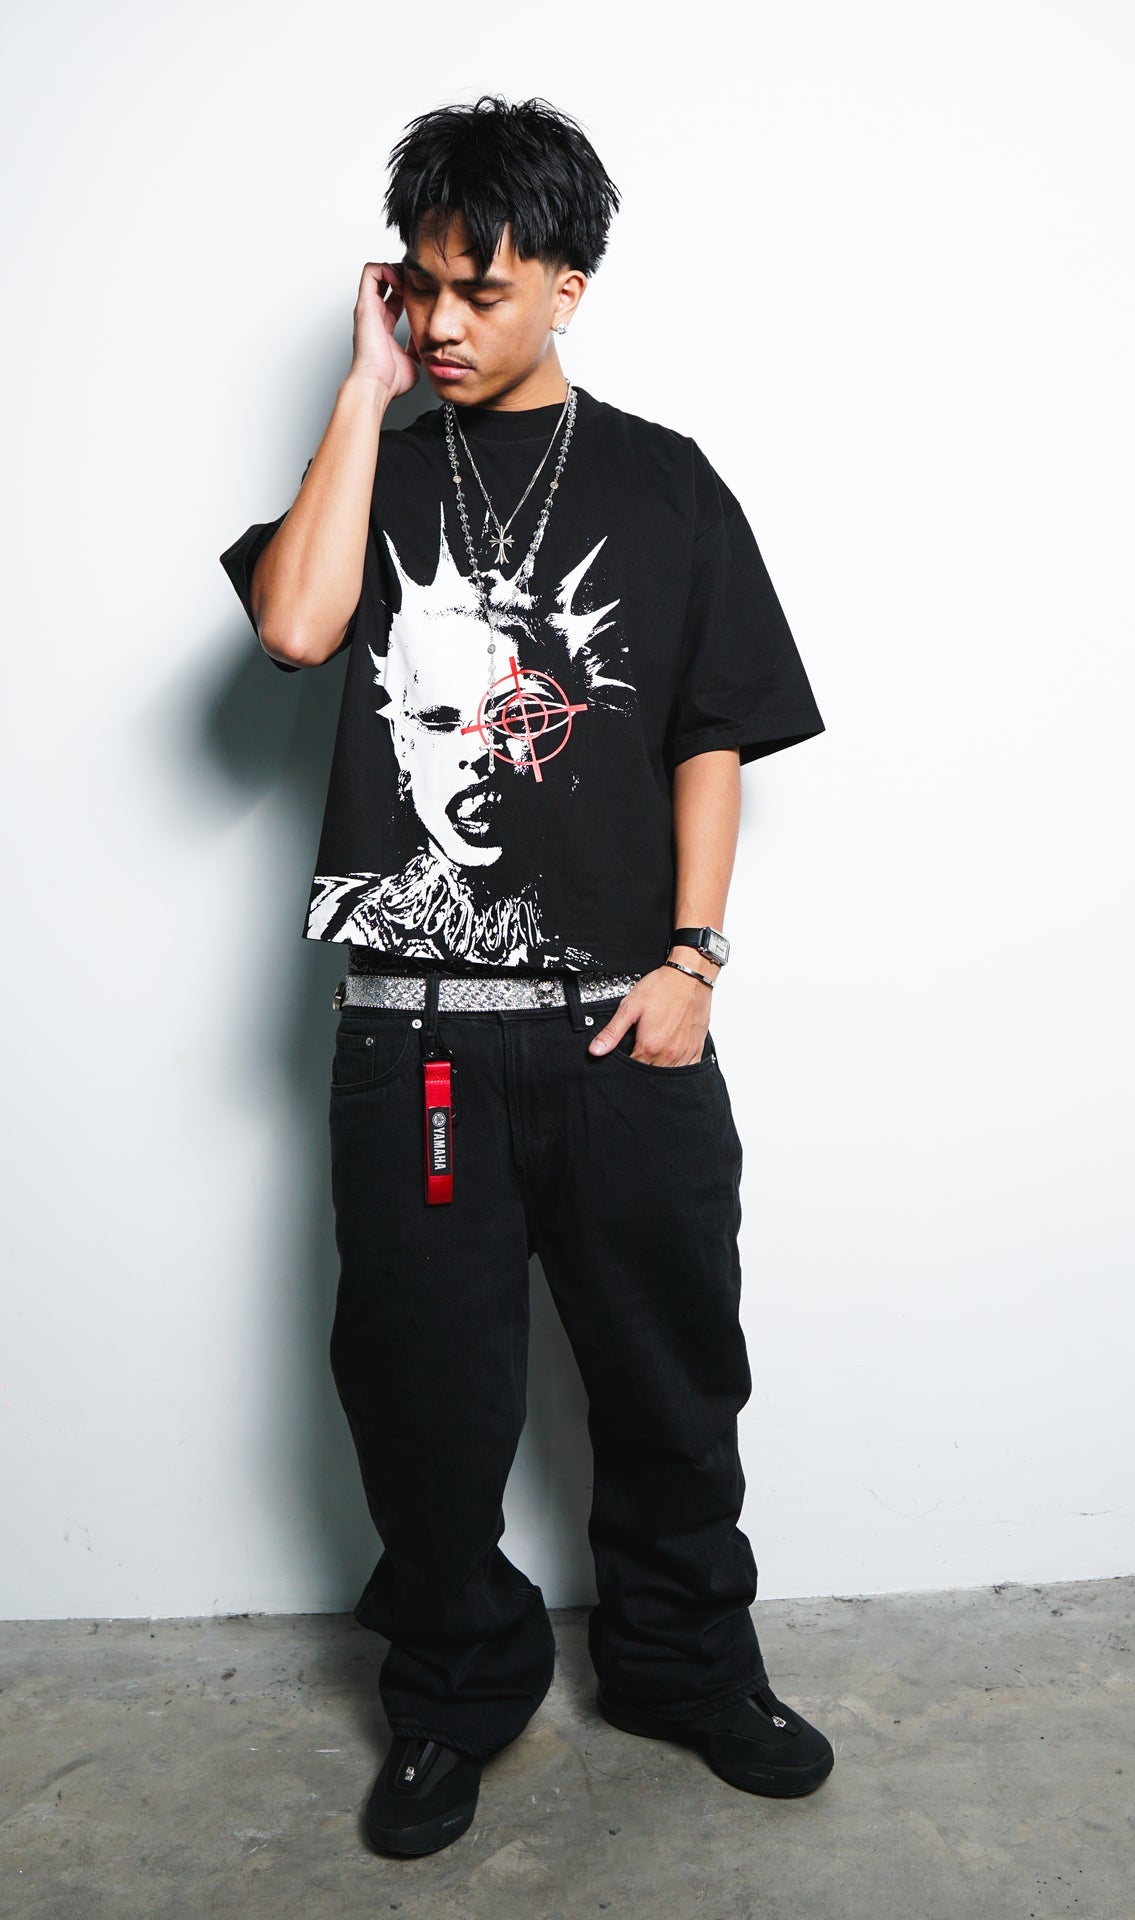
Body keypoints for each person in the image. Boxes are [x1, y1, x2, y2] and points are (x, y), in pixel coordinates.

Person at [220, 93, 833, 1860]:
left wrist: (696, 960)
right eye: (416, 286)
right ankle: (452, 1696)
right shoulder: (373, 469)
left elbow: (712, 735)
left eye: (480, 292)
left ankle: (687, 1664)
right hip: (413, 1043)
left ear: (570, 285)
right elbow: (296, 627)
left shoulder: (665, 481)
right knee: (424, 1399)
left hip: (623, 1035)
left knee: (673, 1379)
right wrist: (360, 397)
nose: (441, 321)